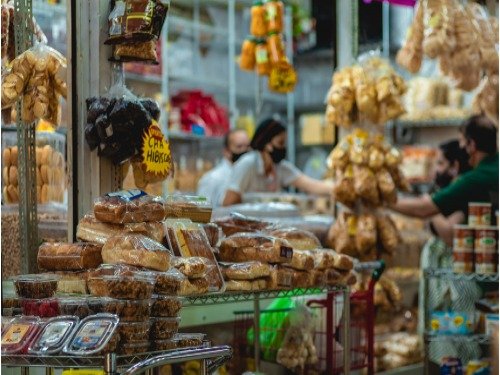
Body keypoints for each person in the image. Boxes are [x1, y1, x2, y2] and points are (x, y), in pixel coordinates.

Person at [418, 139, 481, 369]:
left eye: (441, 163)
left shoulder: (462, 192)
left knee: (460, 344)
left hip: (459, 279)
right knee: (439, 341)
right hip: (440, 278)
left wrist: (428, 207)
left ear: (455, 165)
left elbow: (448, 232)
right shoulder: (446, 194)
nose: (436, 169)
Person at [390, 115, 498, 221]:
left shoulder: (474, 179)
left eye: (462, 141)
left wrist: (384, 201)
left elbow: (422, 209)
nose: (459, 146)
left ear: (472, 145)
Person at [222, 118, 333, 206]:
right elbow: (228, 203)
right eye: (280, 143)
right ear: (267, 144)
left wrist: (338, 187)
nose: (283, 148)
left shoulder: (280, 167)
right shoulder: (248, 164)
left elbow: (311, 185)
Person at [197, 129, 250, 206]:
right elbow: (200, 209)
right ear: (226, 151)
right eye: (239, 147)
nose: (245, 151)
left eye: (247, 146)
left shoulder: (249, 174)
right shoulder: (212, 178)